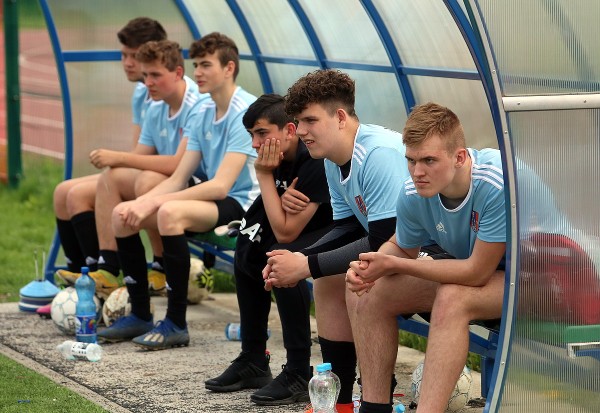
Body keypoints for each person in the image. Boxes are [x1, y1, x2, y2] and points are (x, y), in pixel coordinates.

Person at [97, 32, 258, 350]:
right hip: (214, 199)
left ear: (229, 68)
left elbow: (221, 186)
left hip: (244, 205)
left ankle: (175, 323)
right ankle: (140, 315)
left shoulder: (244, 112)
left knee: (168, 213)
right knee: (121, 215)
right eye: (196, 65)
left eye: (206, 65)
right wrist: (141, 204)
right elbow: (179, 176)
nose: (198, 72)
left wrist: (154, 202)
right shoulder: (203, 111)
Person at [261, 69, 408, 413]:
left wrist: (304, 264)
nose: (302, 131)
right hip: (397, 254)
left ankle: (377, 396)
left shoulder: (378, 153)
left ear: (340, 117)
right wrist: (295, 259)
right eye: (298, 121)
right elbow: (347, 228)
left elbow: (383, 241)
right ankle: (338, 402)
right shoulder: (332, 157)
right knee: (327, 278)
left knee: (355, 280)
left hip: (428, 256)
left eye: (310, 120)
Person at [346, 102, 506, 413]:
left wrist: (395, 264)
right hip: (494, 280)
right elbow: (402, 248)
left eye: (429, 160)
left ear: (459, 157)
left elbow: (476, 273)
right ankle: (374, 407)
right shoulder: (413, 192)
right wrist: (371, 266)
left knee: (452, 297)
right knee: (369, 290)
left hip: (547, 280)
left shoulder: (494, 183)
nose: (418, 172)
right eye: (411, 160)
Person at [204, 94, 334, 406]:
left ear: (289, 130)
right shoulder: (276, 156)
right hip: (297, 226)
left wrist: (264, 176)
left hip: (338, 231)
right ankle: (253, 359)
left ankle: (299, 371)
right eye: (251, 135)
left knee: (280, 260)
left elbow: (286, 232)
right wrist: (278, 193)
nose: (255, 144)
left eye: (262, 133)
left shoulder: (313, 159)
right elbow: (276, 214)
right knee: (246, 246)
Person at [58, 39, 207, 300]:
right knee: (110, 178)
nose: (148, 82)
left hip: (199, 187)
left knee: (146, 180)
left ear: (178, 73)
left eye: (155, 75)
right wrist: (117, 162)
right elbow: (141, 156)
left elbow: (177, 165)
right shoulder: (156, 105)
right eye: (146, 75)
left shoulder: (197, 105)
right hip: (169, 182)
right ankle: (106, 269)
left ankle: (160, 268)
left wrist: (118, 157)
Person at [53, 17, 167, 295]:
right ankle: (86, 275)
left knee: (105, 186)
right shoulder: (141, 93)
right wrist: (118, 160)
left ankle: (130, 269)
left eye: (134, 56)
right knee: (64, 192)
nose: (127, 63)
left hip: (168, 176)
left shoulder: (172, 91)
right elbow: (140, 150)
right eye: (123, 55)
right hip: (147, 169)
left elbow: (169, 159)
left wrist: (116, 159)